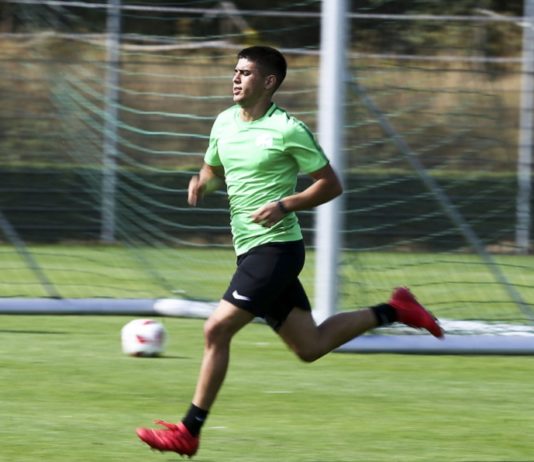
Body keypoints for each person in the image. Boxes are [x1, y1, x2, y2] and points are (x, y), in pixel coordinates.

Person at [136, 45, 444, 457]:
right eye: (235, 71)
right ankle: (395, 310)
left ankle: (188, 431)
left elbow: (330, 184)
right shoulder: (224, 121)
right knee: (310, 346)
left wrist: (285, 204)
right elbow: (213, 168)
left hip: (277, 249)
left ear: (269, 82)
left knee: (216, 330)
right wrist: (202, 183)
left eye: (245, 73)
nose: (236, 78)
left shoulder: (287, 129)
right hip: (250, 250)